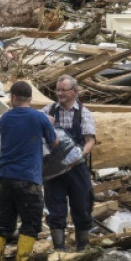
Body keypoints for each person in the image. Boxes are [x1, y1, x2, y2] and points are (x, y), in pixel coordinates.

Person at [0, 80, 58, 261]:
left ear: (14, 98)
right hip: (28, 179)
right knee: (31, 221)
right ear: (29, 98)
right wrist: (49, 125)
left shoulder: (5, 119)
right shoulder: (40, 118)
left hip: (4, 178)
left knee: (3, 222)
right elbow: (54, 143)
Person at [43, 75, 96, 251]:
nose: (59, 94)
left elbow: (90, 141)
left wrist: (80, 154)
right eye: (57, 90)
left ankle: (83, 247)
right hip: (53, 170)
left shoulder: (84, 113)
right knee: (55, 207)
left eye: (63, 90)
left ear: (74, 91)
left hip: (77, 168)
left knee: (82, 205)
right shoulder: (47, 111)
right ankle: (59, 249)